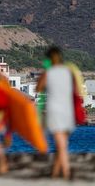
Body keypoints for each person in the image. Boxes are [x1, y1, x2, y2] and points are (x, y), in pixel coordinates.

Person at [36, 46, 75, 180]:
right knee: (62, 143)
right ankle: (55, 174)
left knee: (61, 144)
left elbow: (38, 88)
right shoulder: (68, 72)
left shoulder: (48, 72)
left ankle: (67, 173)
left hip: (55, 111)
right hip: (68, 111)